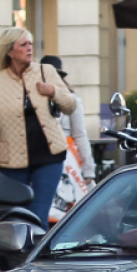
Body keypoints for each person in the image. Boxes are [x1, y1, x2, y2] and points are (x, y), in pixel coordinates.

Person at [0, 28, 79, 225]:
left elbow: (70, 106)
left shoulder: (46, 71)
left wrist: (53, 92)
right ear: (10, 51)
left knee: (39, 214)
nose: (29, 48)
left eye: (30, 44)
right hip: (11, 162)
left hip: (48, 155)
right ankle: (19, 254)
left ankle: (34, 254)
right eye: (23, 45)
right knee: (15, 216)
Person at [41, 55, 96, 187]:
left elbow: (80, 134)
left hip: (67, 160)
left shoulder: (72, 100)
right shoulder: (33, 100)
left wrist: (88, 170)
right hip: (41, 159)